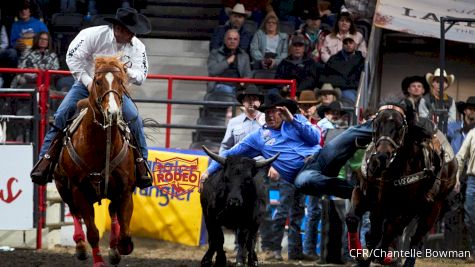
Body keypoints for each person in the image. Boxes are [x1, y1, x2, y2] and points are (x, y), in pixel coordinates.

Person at [30, 7, 153, 189]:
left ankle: (142, 164)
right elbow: (73, 58)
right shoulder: (92, 35)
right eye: (129, 31)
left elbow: (142, 75)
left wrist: (126, 72)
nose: (132, 36)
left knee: (134, 118)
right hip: (86, 84)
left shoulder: (137, 46)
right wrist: (88, 82)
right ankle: (45, 160)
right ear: (119, 29)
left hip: (115, 90)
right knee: (63, 113)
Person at [199, 92, 321, 261]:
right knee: (274, 210)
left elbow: (314, 139)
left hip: (289, 171)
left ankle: (288, 251)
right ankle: (269, 249)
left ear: (281, 111)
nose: (270, 115)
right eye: (267, 112)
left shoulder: (295, 122)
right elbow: (227, 151)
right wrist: (208, 171)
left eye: (274, 111)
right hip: (250, 173)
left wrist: (292, 121)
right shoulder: (255, 133)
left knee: (293, 212)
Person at [321, 37, 364, 105]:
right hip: (336, 88)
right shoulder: (334, 59)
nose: (348, 45)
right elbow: (325, 75)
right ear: (342, 45)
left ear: (355, 44)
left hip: (352, 89)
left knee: (352, 98)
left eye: (351, 43)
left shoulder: (361, 61)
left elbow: (359, 79)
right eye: (345, 43)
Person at [208, 29, 252, 95]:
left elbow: (248, 75)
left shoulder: (244, 55)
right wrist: (227, 62)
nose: (232, 41)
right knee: (227, 90)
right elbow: (212, 71)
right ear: (225, 40)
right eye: (230, 39)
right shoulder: (215, 53)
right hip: (220, 85)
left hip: (238, 86)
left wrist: (243, 82)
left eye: (235, 39)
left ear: (238, 41)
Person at [455, 127, 475, 263]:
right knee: (470, 217)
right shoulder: (473, 133)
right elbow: (461, 156)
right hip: (473, 179)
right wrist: (456, 177)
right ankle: (474, 251)